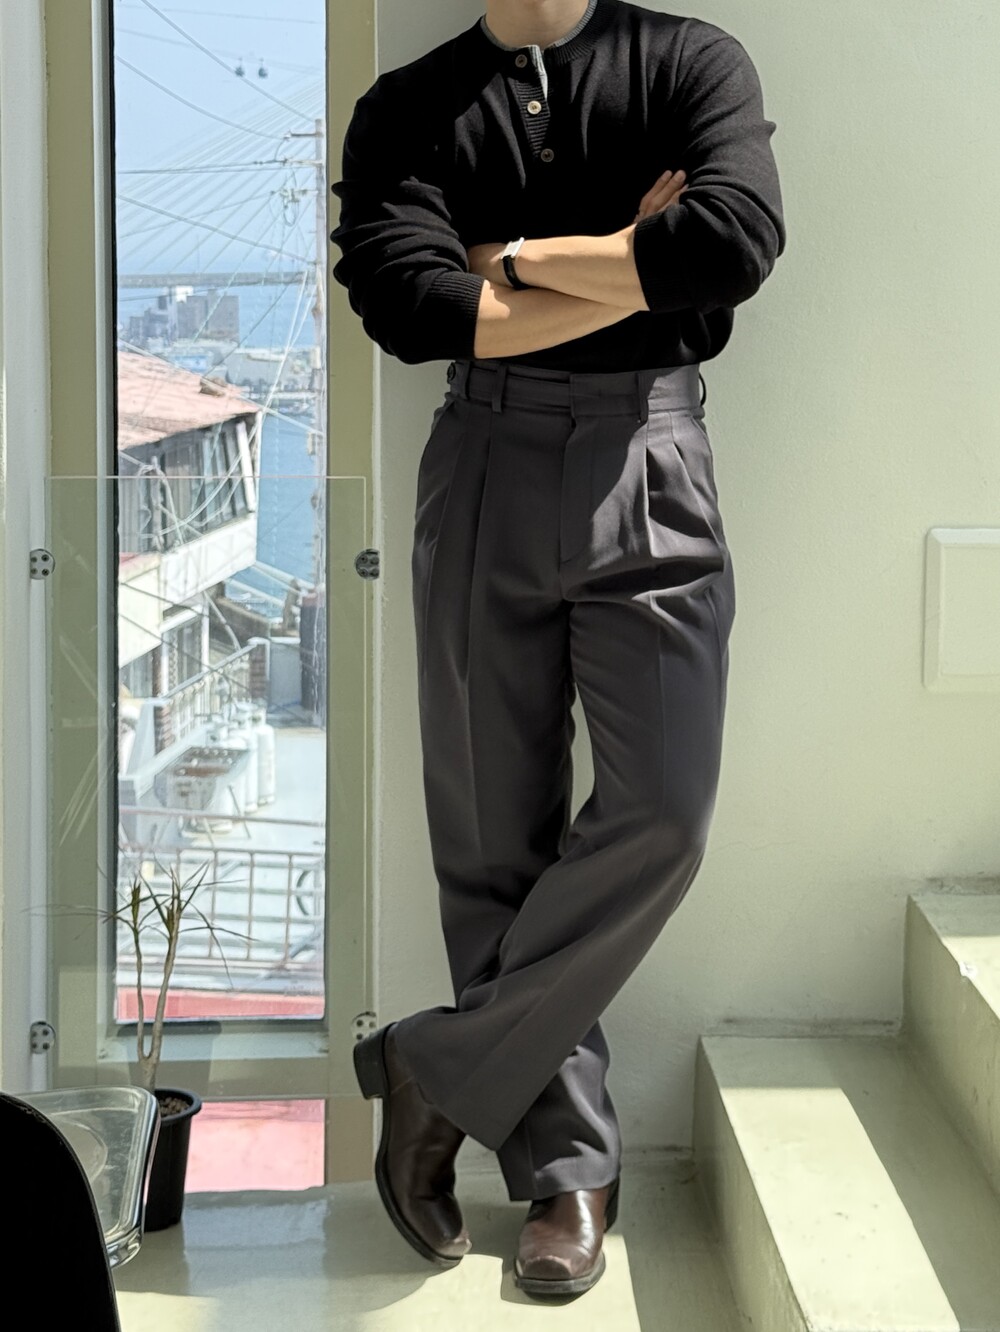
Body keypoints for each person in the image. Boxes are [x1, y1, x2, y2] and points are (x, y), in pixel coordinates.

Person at [330, 0, 785, 1299]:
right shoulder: (408, 108)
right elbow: (410, 303)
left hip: (653, 454)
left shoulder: (690, 62)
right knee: (492, 837)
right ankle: (569, 1171)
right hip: (484, 454)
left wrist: (514, 262)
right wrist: (626, 257)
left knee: (665, 814)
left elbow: (731, 242)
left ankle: (432, 1068)